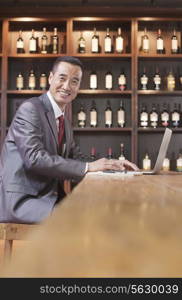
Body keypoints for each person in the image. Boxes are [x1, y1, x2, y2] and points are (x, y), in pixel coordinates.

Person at [0, 56, 138, 224]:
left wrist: (113, 165)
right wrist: (89, 167)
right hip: (22, 200)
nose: (67, 86)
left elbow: (76, 158)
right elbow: (35, 159)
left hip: (46, 197)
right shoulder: (31, 109)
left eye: (74, 81)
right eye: (62, 78)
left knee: (105, 210)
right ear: (51, 78)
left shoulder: (63, 121)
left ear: (79, 86)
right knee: (87, 218)